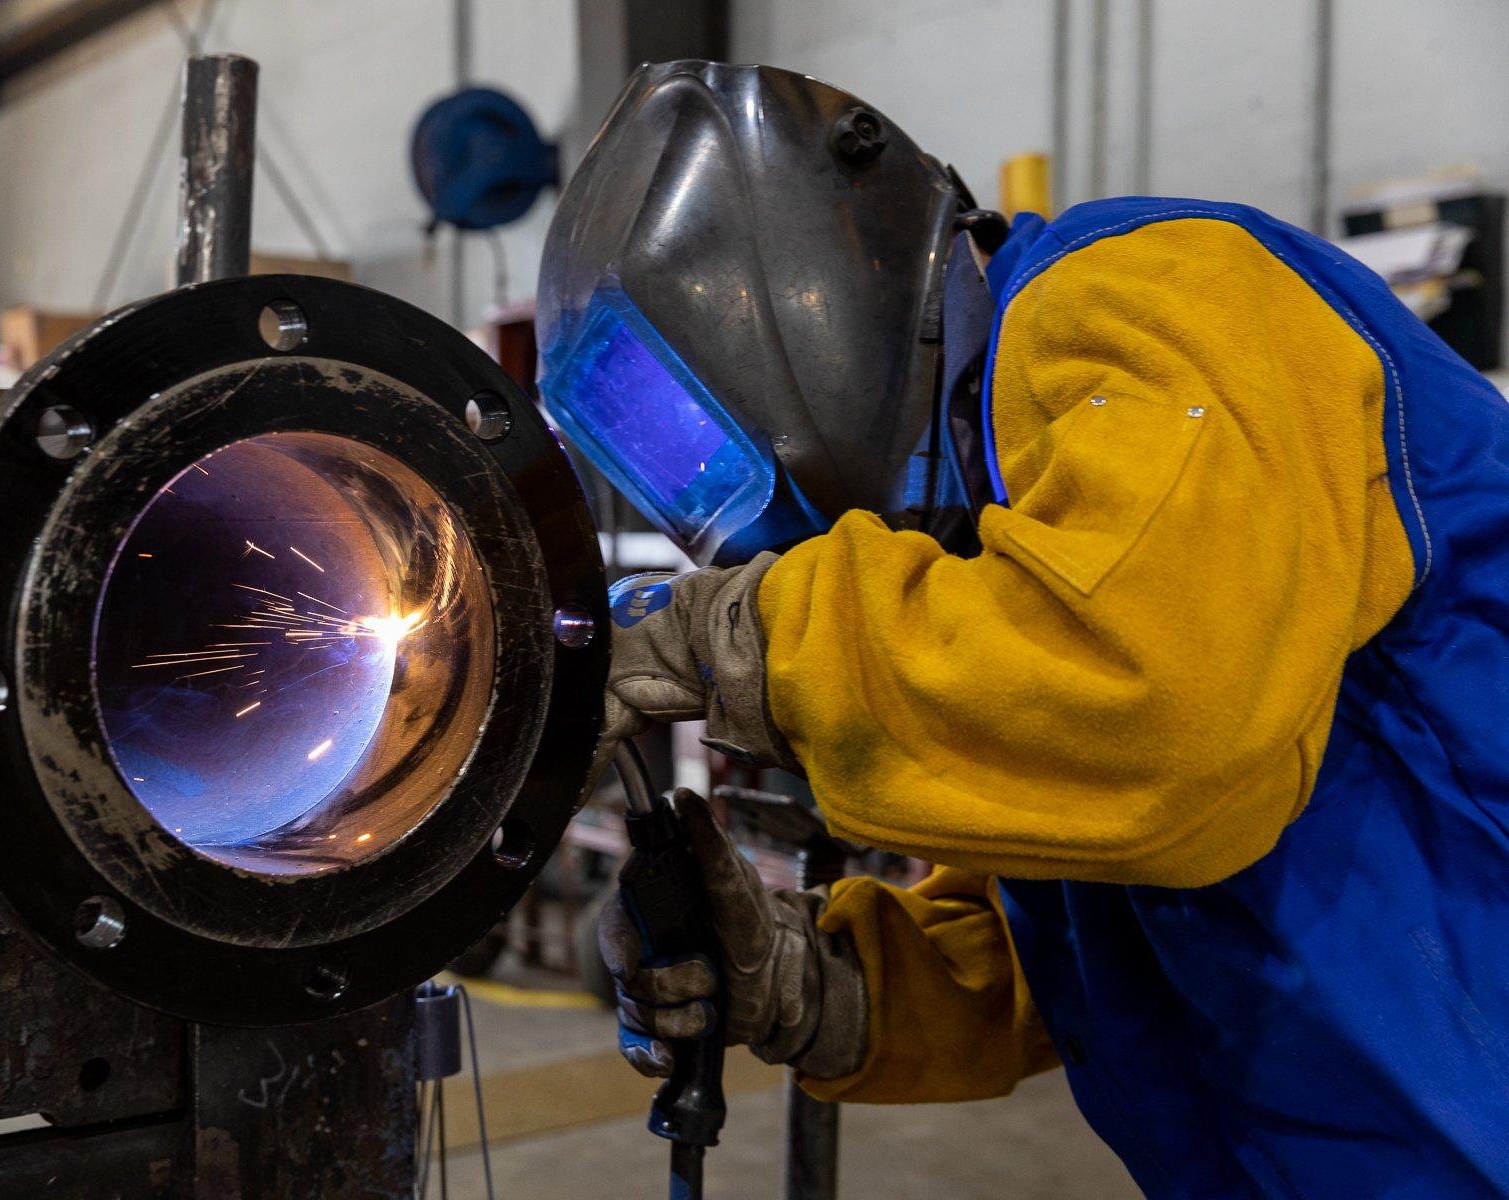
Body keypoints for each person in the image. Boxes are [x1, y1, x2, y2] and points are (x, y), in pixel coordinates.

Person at [534, 61, 1509, 1198]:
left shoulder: (1159, 293)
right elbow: (1098, 925)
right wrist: (819, 982)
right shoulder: (1002, 552)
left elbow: (1159, 716)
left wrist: (732, 638)